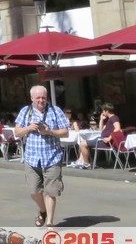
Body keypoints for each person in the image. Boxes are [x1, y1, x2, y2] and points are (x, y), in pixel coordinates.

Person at [14, 85, 70, 229]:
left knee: (51, 191)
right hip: (32, 157)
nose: (41, 100)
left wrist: (50, 132)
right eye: (38, 97)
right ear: (32, 98)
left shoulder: (55, 111)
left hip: (52, 157)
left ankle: (50, 222)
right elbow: (17, 132)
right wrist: (29, 128)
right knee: (33, 190)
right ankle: (42, 211)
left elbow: (65, 132)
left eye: (43, 97)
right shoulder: (25, 112)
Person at [69, 103, 120, 169]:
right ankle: (80, 160)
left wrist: (109, 137)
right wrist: (101, 119)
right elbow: (101, 129)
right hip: (102, 139)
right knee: (84, 142)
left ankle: (86, 164)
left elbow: (118, 128)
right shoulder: (109, 119)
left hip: (106, 142)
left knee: (82, 144)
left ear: (107, 111)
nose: (102, 112)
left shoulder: (114, 118)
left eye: (103, 111)